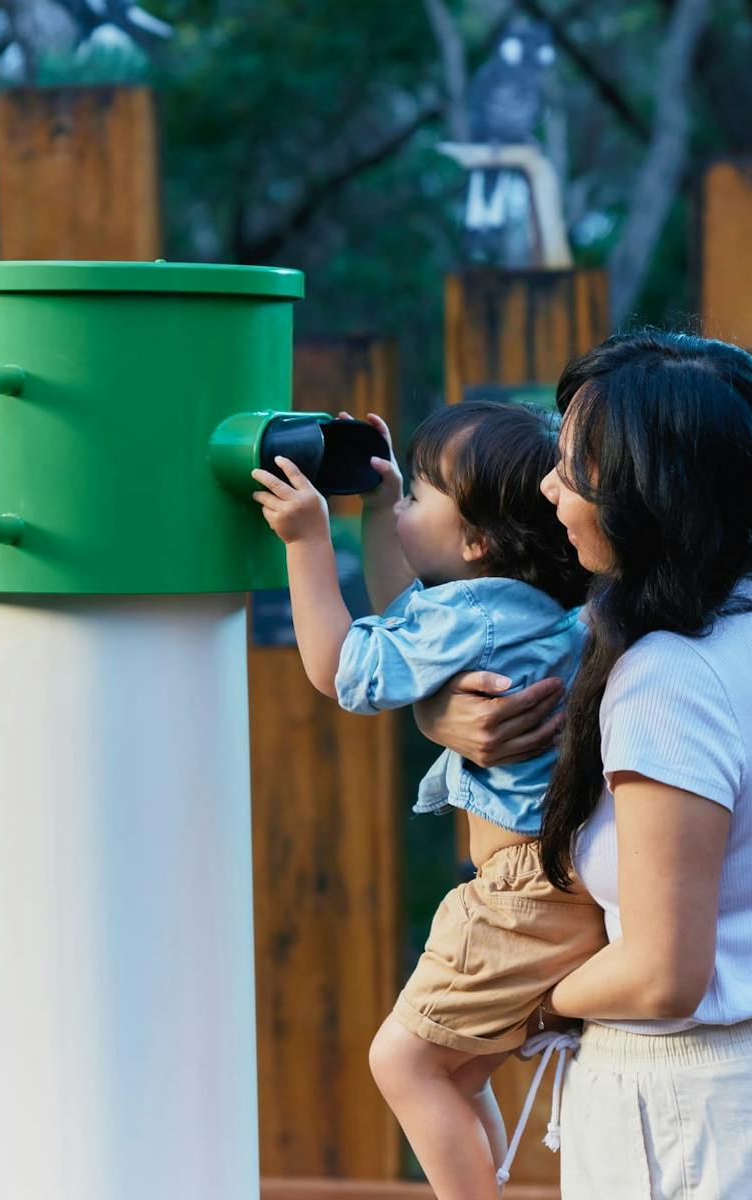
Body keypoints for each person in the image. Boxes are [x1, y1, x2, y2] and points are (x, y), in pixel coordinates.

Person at [420, 331, 752, 1197]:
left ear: (647, 497)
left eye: (573, 470)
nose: (550, 488)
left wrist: (534, 1003)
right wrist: (444, 714)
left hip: (700, 1120)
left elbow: (664, 975)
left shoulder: (668, 676)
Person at [249, 399, 605, 1199]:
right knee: (451, 1073)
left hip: (519, 893)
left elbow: (342, 665)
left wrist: (309, 542)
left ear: (475, 541)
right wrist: (382, 513)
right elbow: (406, 617)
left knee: (401, 1061)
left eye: (416, 493)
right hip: (553, 883)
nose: (402, 501)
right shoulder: (509, 607)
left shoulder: (473, 620)